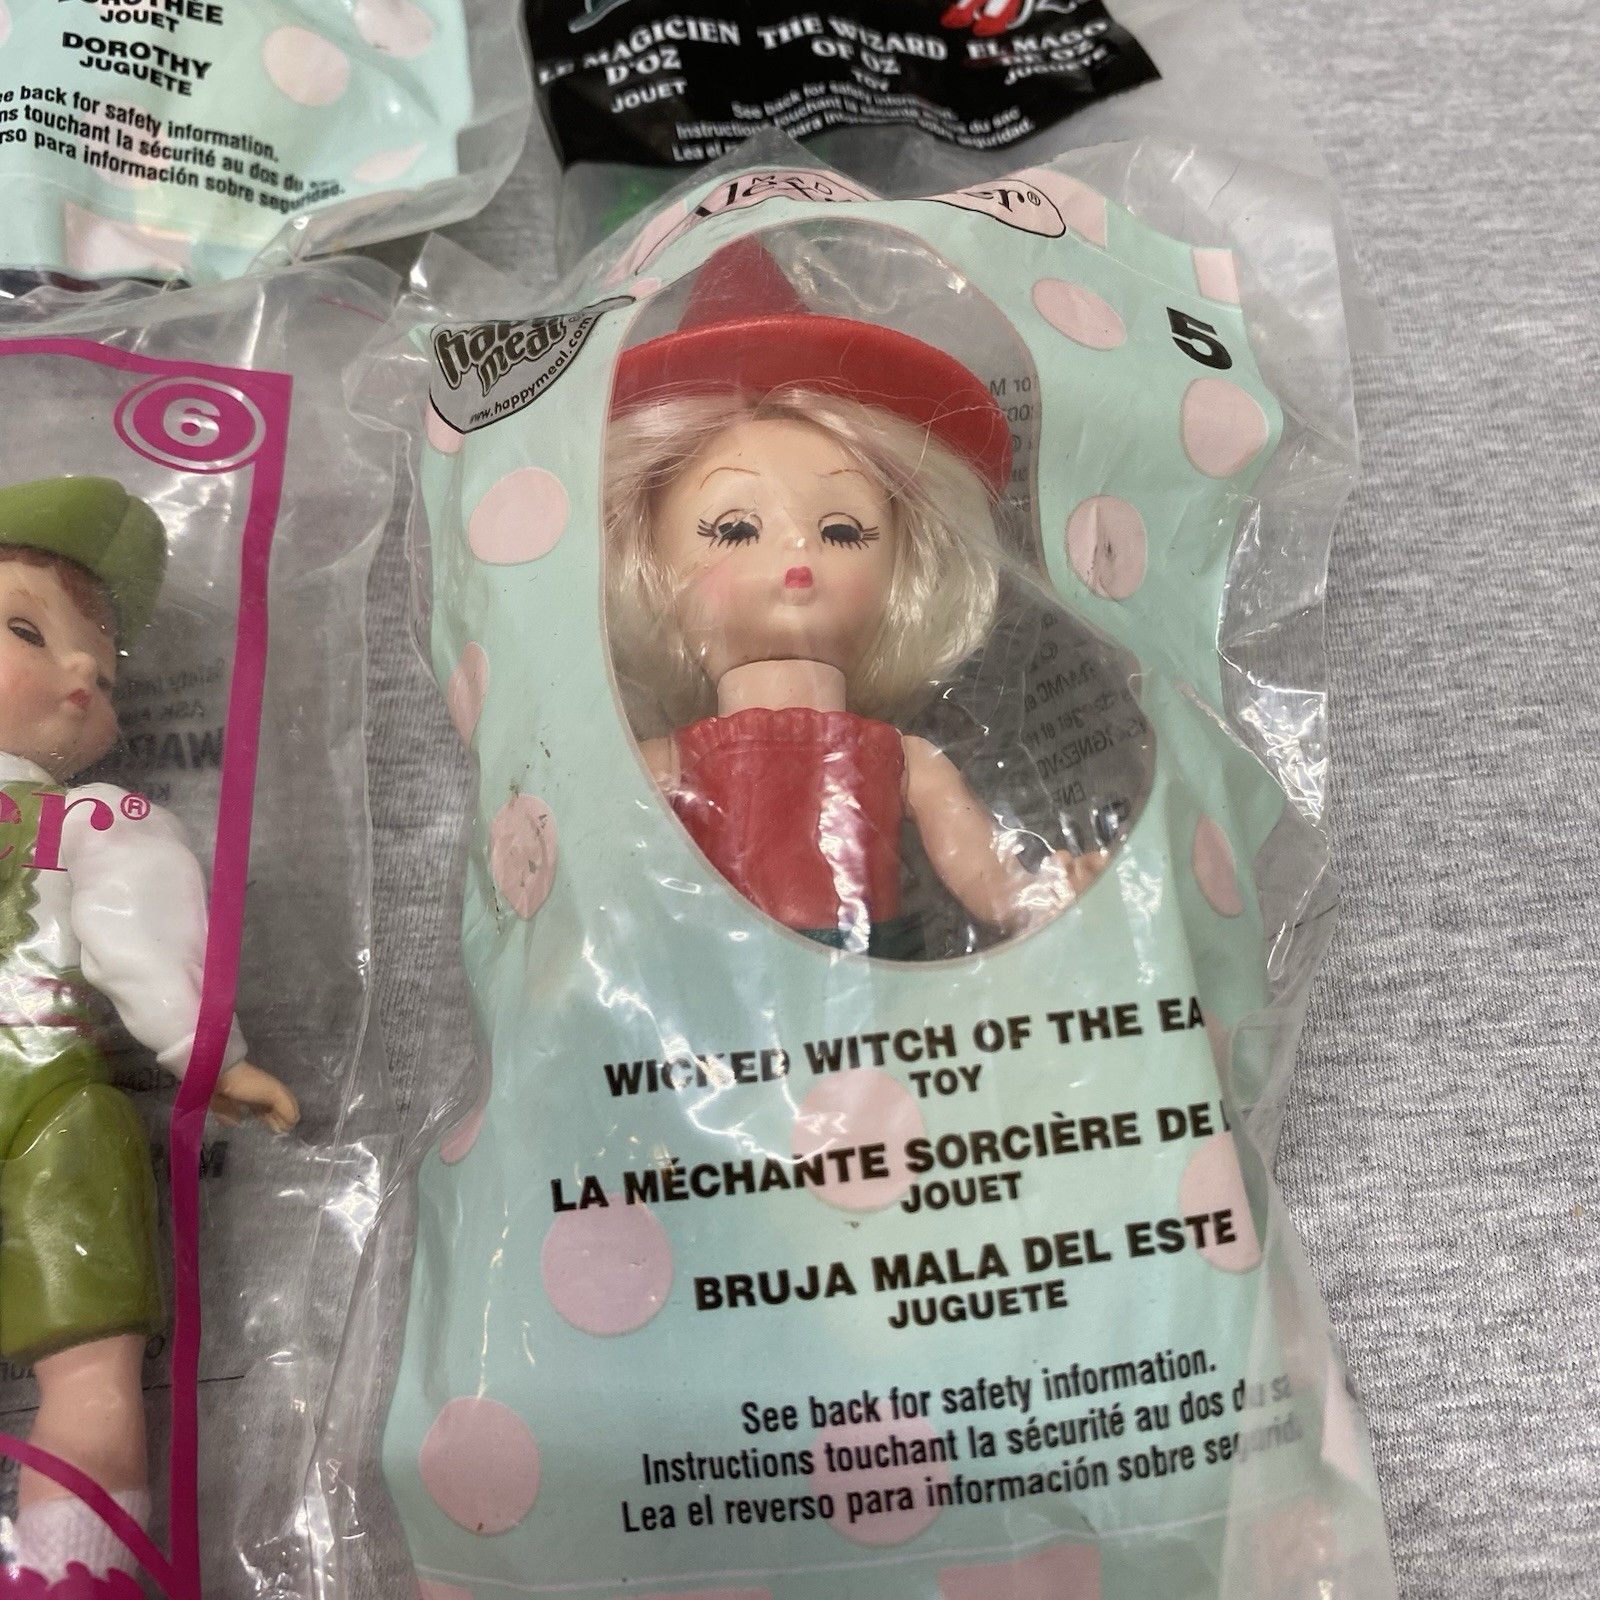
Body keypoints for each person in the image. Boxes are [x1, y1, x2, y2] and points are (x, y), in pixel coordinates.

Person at [604, 237, 1108, 957]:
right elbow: (603, 874)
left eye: (842, 532)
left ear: (907, 562)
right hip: (715, 972)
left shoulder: (903, 760)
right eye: (737, 529)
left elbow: (986, 876)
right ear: (645, 563)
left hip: (873, 972)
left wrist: (1048, 894)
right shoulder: (664, 763)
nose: (797, 557)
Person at [0, 476, 297, 1583]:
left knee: (92, 1364)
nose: (82, 676)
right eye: (28, 631)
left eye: (105, 671)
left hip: (50, 1113)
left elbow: (141, 926)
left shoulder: (86, 819)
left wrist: (207, 1053)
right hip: (46, 1110)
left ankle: (74, 1570)